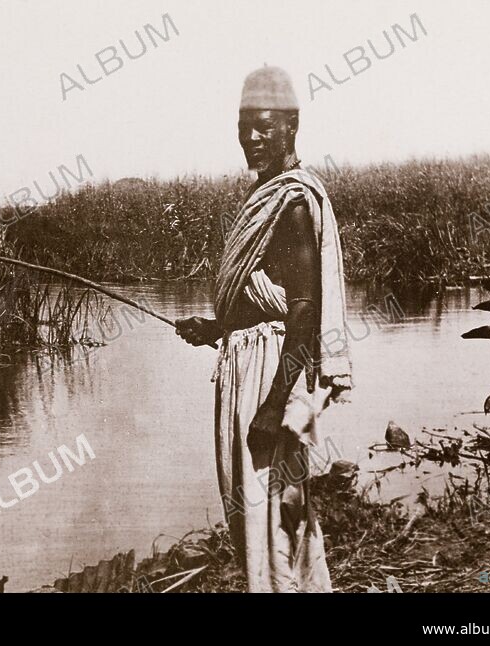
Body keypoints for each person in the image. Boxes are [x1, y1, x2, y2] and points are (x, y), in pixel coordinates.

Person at [175, 65, 353, 593]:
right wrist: (216, 329)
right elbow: (269, 301)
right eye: (243, 125)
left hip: (270, 376)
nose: (251, 138)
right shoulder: (267, 196)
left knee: (267, 513)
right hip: (250, 364)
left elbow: (302, 313)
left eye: (264, 126)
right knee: (270, 511)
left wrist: (275, 406)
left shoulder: (292, 204)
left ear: (291, 126)